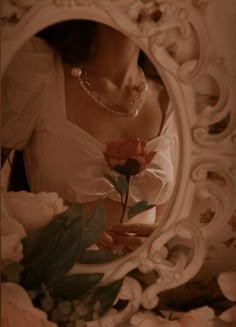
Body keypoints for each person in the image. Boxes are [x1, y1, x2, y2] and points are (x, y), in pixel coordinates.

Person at [1, 20, 178, 252]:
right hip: (51, 280)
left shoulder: (171, 97)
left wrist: (160, 238)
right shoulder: (37, 72)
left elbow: (167, 217)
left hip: (142, 279)